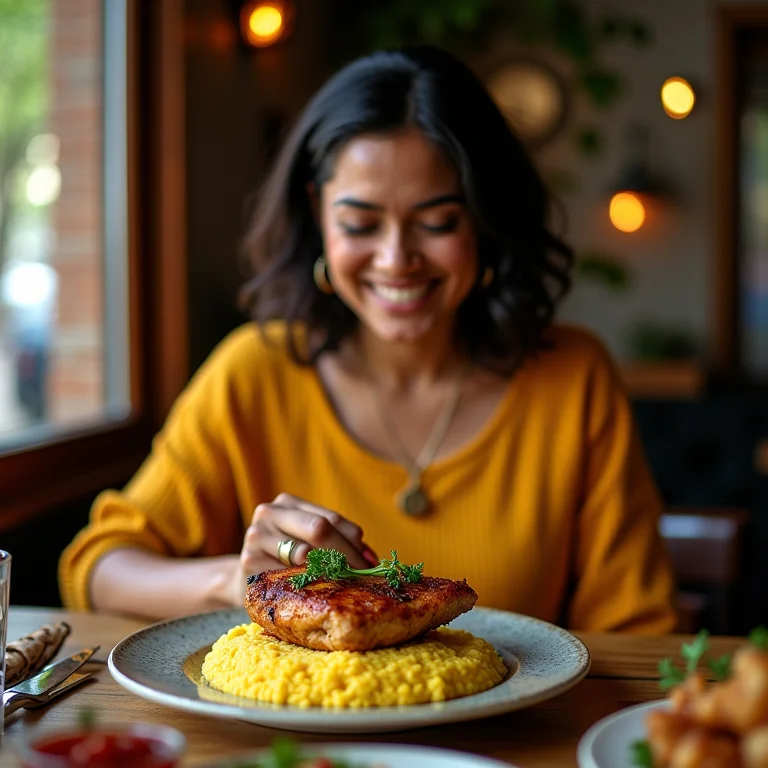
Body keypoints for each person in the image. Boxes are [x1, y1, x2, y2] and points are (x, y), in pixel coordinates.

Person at [59, 46, 677, 633]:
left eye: (437, 222)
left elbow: (638, 631)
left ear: (486, 220)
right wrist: (236, 581)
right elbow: (99, 567)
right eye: (360, 223)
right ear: (318, 215)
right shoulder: (253, 372)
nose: (396, 258)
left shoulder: (573, 378)